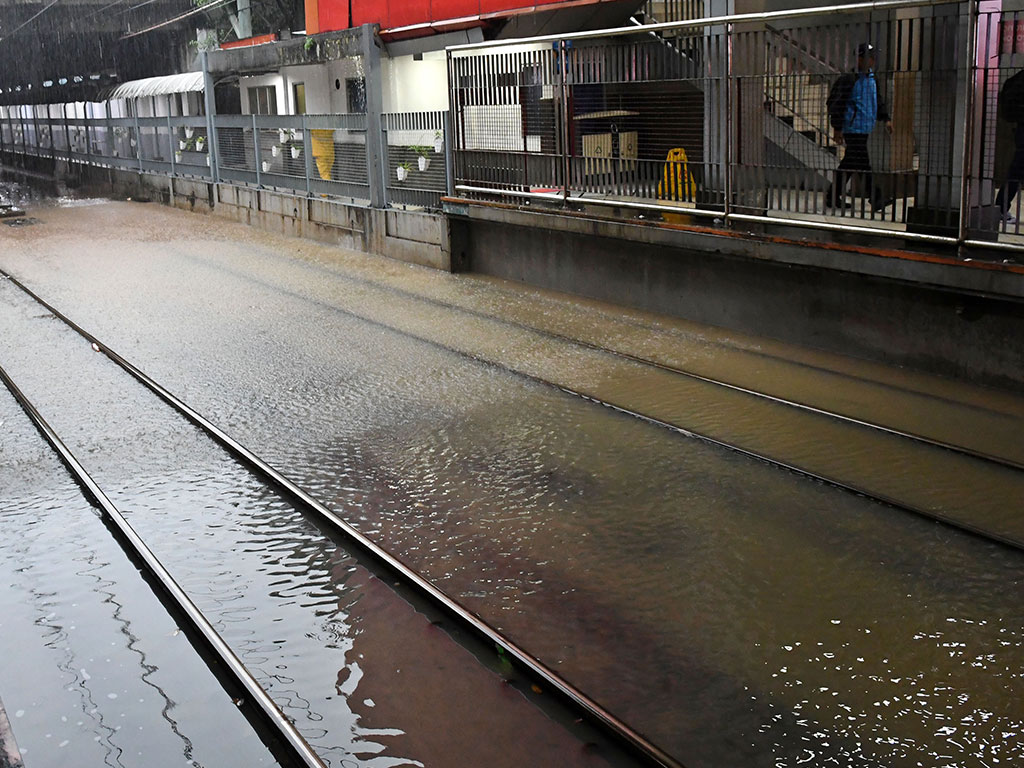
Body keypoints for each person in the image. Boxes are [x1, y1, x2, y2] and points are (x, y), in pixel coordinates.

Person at [824, 42, 894, 213]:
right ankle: (875, 198)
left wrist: (885, 119)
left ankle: (832, 197)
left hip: (864, 128)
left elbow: (878, 100)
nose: (872, 61)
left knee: (849, 164)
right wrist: (837, 128)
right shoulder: (849, 80)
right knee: (863, 164)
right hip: (852, 129)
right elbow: (837, 104)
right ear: (860, 59)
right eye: (869, 57)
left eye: (873, 57)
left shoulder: (872, 79)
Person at [994, 69, 1024, 224]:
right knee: (1017, 171)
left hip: (1021, 128)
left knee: (1016, 171)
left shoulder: (1018, 78)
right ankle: (1000, 208)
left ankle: (1000, 208)